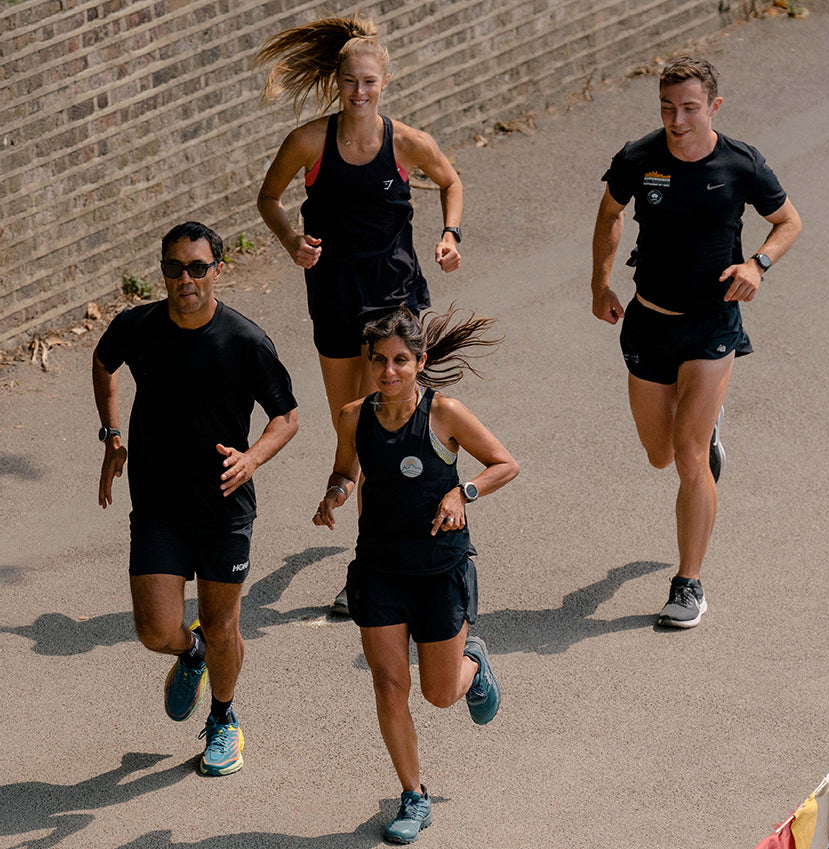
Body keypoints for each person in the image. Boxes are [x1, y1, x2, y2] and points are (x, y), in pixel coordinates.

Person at [255, 14, 463, 615]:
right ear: (336, 83)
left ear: (386, 81)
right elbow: (268, 198)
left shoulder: (406, 143)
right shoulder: (309, 142)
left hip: (395, 300)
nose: (360, 92)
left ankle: (373, 567)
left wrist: (450, 234)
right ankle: (363, 518)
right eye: (350, 82)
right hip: (334, 300)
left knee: (388, 428)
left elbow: (450, 179)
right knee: (353, 428)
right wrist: (291, 240)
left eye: (370, 82)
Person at [590, 56, 801, 628]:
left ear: (713, 106)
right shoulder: (639, 157)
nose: (676, 119)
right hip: (649, 320)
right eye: (667, 107)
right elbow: (610, 212)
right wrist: (600, 282)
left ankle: (688, 586)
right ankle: (705, 442)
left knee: (686, 459)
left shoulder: (740, 162)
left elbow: (789, 222)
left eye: (688, 107)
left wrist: (757, 264)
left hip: (713, 323)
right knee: (660, 454)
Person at [92, 221, 299, 775]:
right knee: (155, 629)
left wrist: (252, 457)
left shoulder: (246, 341)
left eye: (197, 267)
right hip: (158, 504)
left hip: (223, 506)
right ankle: (191, 653)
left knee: (222, 620)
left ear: (217, 271)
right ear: (162, 272)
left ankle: (224, 719)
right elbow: (103, 361)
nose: (185, 278)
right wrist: (111, 435)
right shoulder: (137, 326)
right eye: (173, 268)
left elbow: (287, 418)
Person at [312, 306, 518, 844]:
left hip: (438, 571)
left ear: (420, 361)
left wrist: (462, 492)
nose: (389, 372)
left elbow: (504, 463)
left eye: (401, 360)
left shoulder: (444, 413)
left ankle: (474, 663)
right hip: (378, 569)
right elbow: (345, 469)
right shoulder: (353, 416)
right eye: (379, 361)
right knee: (388, 686)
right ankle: (414, 795)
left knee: (440, 694)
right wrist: (334, 495)